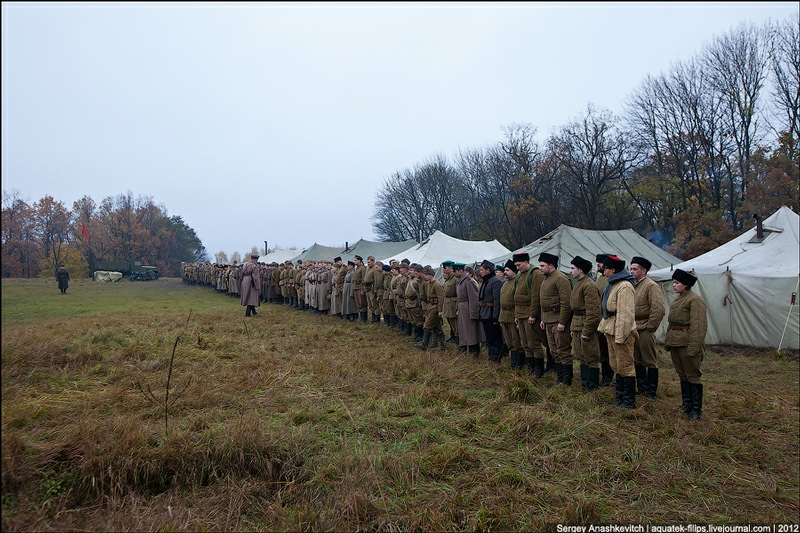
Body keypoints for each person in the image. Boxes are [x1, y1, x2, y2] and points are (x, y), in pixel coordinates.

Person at [665, 269, 708, 420]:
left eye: (677, 283)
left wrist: (694, 348)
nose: (674, 285)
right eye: (674, 282)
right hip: (676, 342)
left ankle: (696, 410)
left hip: (687, 343)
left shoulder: (694, 300)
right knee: (682, 375)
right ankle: (687, 405)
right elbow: (672, 323)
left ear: (686, 285)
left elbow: (698, 326)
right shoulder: (679, 299)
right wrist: (668, 341)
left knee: (692, 375)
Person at [598, 255, 638, 409]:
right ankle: (619, 397)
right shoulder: (614, 284)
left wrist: (621, 337)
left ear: (613, 270)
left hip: (621, 331)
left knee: (625, 365)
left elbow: (626, 314)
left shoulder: (625, 286)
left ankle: (628, 401)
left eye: (606, 269)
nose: (604, 271)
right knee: (616, 365)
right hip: (611, 329)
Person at [630, 256, 665, 399]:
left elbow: (658, 309)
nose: (631, 271)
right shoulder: (632, 285)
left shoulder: (651, 286)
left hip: (645, 329)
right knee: (637, 359)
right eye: (630, 268)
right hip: (634, 328)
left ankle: (651, 391)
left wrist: (650, 328)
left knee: (649, 360)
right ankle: (641, 387)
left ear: (643, 271)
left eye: (635, 269)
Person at [539, 252, 573, 386]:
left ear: (551, 265)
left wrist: (562, 322)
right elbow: (544, 302)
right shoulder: (546, 279)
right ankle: (560, 378)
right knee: (554, 350)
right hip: (548, 320)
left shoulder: (560, 279)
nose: (540, 268)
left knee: (563, 350)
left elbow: (566, 302)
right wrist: (543, 318)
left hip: (558, 321)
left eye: (542, 265)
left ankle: (567, 379)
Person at [569, 256, 602, 392]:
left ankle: (592, 386)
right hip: (577, 324)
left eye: (572, 268)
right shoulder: (578, 283)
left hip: (585, 325)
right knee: (581, 356)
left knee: (590, 356)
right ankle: (585, 384)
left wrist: (587, 331)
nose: (570, 271)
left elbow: (593, 312)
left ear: (580, 270)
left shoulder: (589, 285)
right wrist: (573, 328)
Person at [512, 252, 546, 375]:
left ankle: (538, 369)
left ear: (526, 262)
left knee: (534, 343)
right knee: (525, 343)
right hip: (520, 314)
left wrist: (533, 315)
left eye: (519, 264)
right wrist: (516, 315)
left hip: (529, 315)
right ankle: (530, 367)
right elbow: (516, 298)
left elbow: (536, 297)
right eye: (516, 265)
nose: (517, 267)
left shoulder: (535, 274)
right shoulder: (520, 276)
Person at [454, 262, 484, 356]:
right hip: (462, 308)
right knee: (464, 330)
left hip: (468, 309)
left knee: (471, 331)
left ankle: (474, 350)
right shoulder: (459, 281)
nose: (454, 273)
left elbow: (474, 298)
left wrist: (474, 313)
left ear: (460, 270)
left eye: (455, 271)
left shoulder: (469, 281)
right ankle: (464, 346)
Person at [478, 259, 503, 362]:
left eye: (482, 270)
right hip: (484, 312)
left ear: (488, 270)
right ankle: (491, 356)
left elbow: (497, 300)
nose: (480, 271)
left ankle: (496, 358)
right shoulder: (485, 280)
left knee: (495, 337)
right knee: (489, 337)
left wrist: (495, 316)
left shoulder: (495, 281)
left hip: (491, 312)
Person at [499, 259, 523, 369]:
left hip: (513, 315)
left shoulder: (517, 283)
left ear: (514, 271)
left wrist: (517, 316)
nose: (505, 272)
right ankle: (513, 362)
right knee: (508, 341)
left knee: (516, 341)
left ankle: (518, 363)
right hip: (504, 315)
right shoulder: (504, 284)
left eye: (508, 270)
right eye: (504, 270)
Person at [595, 253, 614, 386]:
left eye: (600, 264)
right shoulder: (600, 279)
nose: (598, 265)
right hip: (600, 320)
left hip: (609, 320)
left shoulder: (612, 280)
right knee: (602, 352)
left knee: (610, 351)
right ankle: (606, 378)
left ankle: (611, 378)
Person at [441, 260, 459, 344]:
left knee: (456, 324)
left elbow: (458, 293)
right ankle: (455, 337)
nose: (444, 270)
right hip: (448, 303)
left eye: (445, 268)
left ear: (450, 268)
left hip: (453, 303)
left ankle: (459, 340)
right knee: (451, 323)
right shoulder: (448, 279)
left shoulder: (455, 278)